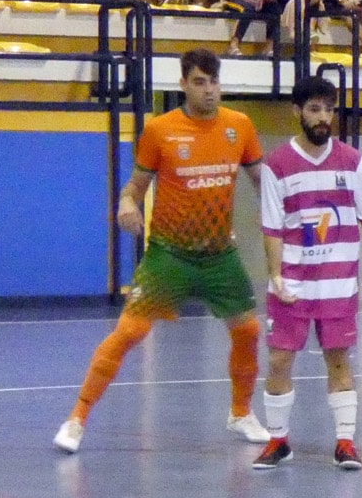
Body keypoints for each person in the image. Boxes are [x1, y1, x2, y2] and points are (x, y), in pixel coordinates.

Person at [53, 49, 269, 453]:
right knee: (130, 331)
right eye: (200, 82)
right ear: (183, 84)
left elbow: (262, 181)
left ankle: (241, 413)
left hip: (220, 255)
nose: (209, 91)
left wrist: (280, 213)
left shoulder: (239, 126)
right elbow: (134, 188)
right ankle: (76, 418)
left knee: (249, 329)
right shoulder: (160, 130)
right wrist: (126, 205)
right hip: (170, 255)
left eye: (214, 82)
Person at [255, 76, 362, 471]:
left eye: (329, 110)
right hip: (292, 285)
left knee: (339, 360)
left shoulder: (351, 161)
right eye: (314, 109)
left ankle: (346, 443)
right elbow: (272, 226)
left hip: (337, 284)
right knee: (280, 361)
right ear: (297, 112)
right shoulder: (277, 164)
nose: (323, 118)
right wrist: (276, 275)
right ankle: (278, 441)